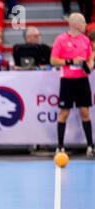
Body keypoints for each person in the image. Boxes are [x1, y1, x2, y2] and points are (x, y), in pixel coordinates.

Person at [51, 13, 94, 156]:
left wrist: (89, 64)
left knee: (85, 112)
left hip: (82, 79)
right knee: (64, 113)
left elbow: (88, 60)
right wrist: (70, 61)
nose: (85, 25)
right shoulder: (61, 39)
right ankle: (60, 146)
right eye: (83, 22)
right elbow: (53, 60)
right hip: (68, 80)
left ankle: (90, 146)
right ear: (75, 24)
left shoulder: (86, 40)